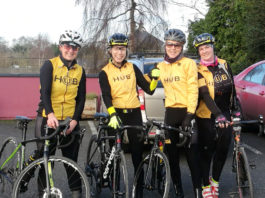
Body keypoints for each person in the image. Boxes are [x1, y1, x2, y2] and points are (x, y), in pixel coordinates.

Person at [99, 33, 159, 198]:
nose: (120, 52)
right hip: (115, 113)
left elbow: (150, 89)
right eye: (117, 49)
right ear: (110, 51)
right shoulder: (105, 71)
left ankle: (137, 192)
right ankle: (115, 189)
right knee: (115, 153)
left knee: (137, 154)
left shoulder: (132, 68)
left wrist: (154, 78)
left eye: (123, 49)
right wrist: (111, 114)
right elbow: (106, 95)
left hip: (134, 113)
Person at [34, 30, 86, 198]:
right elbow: (45, 93)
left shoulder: (80, 71)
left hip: (69, 121)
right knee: (46, 162)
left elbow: (81, 99)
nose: (71, 50)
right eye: (67, 46)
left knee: (71, 163)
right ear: (60, 47)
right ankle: (44, 194)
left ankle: (76, 193)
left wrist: (75, 121)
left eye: (75, 47)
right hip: (48, 119)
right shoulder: (49, 65)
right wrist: (50, 114)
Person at [153, 29, 201, 198]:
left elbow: (193, 90)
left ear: (181, 47)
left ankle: (197, 192)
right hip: (170, 114)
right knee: (172, 156)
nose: (172, 48)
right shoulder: (161, 66)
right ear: (165, 45)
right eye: (169, 44)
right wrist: (150, 75)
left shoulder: (189, 64)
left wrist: (190, 115)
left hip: (187, 113)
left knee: (192, 155)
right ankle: (178, 191)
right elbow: (148, 85)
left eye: (176, 45)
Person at [193, 33, 239, 198]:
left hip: (224, 112)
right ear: (198, 52)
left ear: (213, 47)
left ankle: (215, 182)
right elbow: (204, 94)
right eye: (201, 49)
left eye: (207, 47)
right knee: (207, 151)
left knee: (222, 149)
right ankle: (205, 184)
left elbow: (232, 88)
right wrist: (218, 115)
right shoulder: (197, 70)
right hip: (205, 114)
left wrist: (235, 108)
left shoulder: (224, 64)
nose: (205, 51)